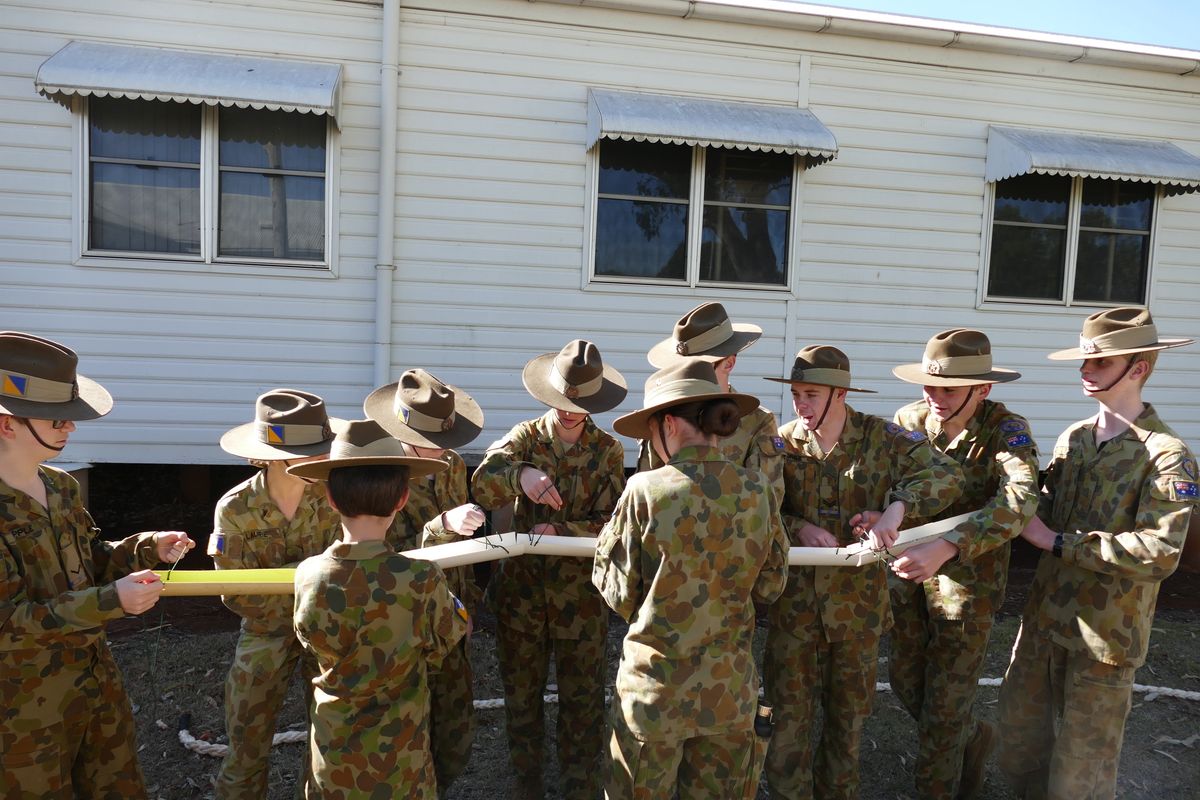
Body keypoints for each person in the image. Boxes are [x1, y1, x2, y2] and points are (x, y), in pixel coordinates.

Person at [997, 307, 1196, 800]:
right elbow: (1044, 508)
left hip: (1105, 636)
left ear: (1139, 368)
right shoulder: (1076, 438)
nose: (1086, 370)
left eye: (1101, 362)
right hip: (1045, 621)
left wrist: (1056, 542)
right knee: (1019, 746)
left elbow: (1160, 552)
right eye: (1084, 361)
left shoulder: (1166, 454)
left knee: (1080, 773)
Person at [762, 344, 961, 800]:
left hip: (858, 615)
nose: (801, 404)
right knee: (787, 725)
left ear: (840, 393)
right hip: (795, 612)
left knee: (846, 727)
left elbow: (948, 476)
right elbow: (759, 508)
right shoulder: (781, 443)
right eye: (796, 394)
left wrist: (896, 508)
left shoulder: (882, 438)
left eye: (811, 394)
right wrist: (798, 527)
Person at [0, 331, 194, 797]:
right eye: (56, 418)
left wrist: (147, 548)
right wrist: (111, 601)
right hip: (22, 711)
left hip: (94, 683)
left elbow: (88, 560)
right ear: (7, 424)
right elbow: (9, 622)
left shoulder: (61, 487)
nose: (70, 427)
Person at [594, 359, 789, 799]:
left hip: (655, 696)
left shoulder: (645, 491)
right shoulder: (758, 491)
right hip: (729, 695)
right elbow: (772, 585)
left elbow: (618, 592)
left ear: (667, 425)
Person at [471, 339, 627, 800]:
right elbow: (483, 484)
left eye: (578, 406)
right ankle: (528, 786)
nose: (568, 412)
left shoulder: (608, 451)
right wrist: (519, 474)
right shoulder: (524, 438)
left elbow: (613, 522)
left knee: (582, 706)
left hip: (581, 601)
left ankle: (580, 787)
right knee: (522, 703)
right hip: (522, 599)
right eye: (561, 402)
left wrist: (562, 530)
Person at [889, 329, 1040, 799]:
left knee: (944, 710)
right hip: (909, 577)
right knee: (905, 682)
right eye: (929, 386)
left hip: (968, 586)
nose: (935, 397)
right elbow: (896, 482)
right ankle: (973, 739)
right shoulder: (909, 420)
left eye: (949, 390)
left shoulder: (1005, 430)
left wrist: (951, 545)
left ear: (983, 389)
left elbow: (1020, 499)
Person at [291, 419, 468, 799]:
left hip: (333, 760)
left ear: (331, 498)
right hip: (403, 762)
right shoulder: (421, 578)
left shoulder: (309, 575)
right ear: (402, 499)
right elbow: (448, 637)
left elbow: (309, 641)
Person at [210, 389, 345, 799]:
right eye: (311, 452)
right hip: (265, 632)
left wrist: (296, 582)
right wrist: (309, 577)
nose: (323, 459)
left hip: (325, 631)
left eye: (323, 449)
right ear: (275, 456)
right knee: (245, 747)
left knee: (330, 744)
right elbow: (236, 593)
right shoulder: (235, 508)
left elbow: (349, 568)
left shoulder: (335, 497)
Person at [364, 368, 486, 797]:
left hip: (450, 620)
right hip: (402, 628)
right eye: (430, 440)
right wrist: (441, 526)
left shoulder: (452, 464)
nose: (440, 449)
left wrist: (464, 607)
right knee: (404, 740)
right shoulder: (379, 473)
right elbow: (380, 560)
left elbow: (461, 556)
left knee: (455, 735)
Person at [640, 302, 785, 503]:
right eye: (681, 367)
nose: (688, 374)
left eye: (700, 366)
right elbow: (647, 491)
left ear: (728, 363)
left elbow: (767, 501)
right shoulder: (665, 416)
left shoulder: (757, 422)